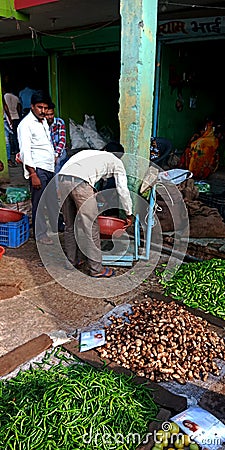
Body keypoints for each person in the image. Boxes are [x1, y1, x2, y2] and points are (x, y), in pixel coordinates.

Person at [58, 144, 133, 277]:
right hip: (80, 183)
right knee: (91, 227)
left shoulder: (90, 153)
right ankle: (96, 269)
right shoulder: (117, 162)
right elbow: (122, 190)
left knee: (70, 225)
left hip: (62, 179)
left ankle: (71, 261)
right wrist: (129, 213)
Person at [17, 90, 59, 244]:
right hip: (38, 169)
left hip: (48, 168)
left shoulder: (43, 122)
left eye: (45, 107)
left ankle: (56, 226)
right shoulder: (26, 125)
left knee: (52, 199)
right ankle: (40, 234)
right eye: (39, 107)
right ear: (32, 106)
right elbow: (25, 151)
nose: (42, 111)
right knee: (39, 203)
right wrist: (32, 174)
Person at [45, 102, 68, 175]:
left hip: (60, 152)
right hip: (47, 153)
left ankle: (56, 184)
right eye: (47, 115)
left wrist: (56, 155)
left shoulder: (59, 122)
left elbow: (62, 140)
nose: (50, 117)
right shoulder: (42, 124)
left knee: (57, 163)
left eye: (51, 114)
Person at [4, 87, 22, 155]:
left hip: (10, 118)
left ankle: (14, 150)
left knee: (10, 136)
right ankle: (18, 149)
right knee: (16, 135)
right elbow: (19, 108)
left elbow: (6, 108)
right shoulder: (16, 97)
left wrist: (9, 117)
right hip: (16, 117)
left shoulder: (5, 97)